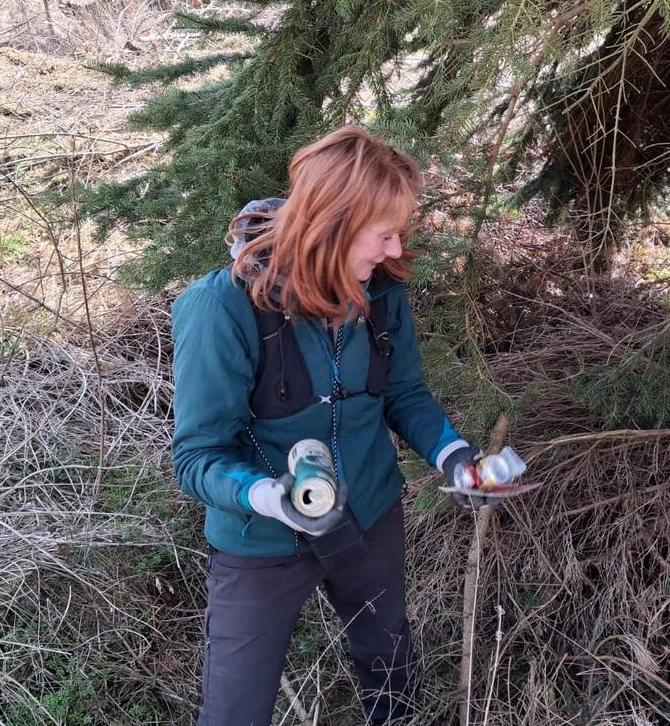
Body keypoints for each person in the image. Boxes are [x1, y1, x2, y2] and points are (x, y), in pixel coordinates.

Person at [170, 126, 490, 725]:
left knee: (390, 669)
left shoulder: (380, 292)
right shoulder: (221, 309)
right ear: (331, 225)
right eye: (383, 234)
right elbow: (196, 458)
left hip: (370, 516)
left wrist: (455, 457)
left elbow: (405, 393)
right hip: (260, 541)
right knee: (235, 709)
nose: (396, 251)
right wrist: (270, 498)